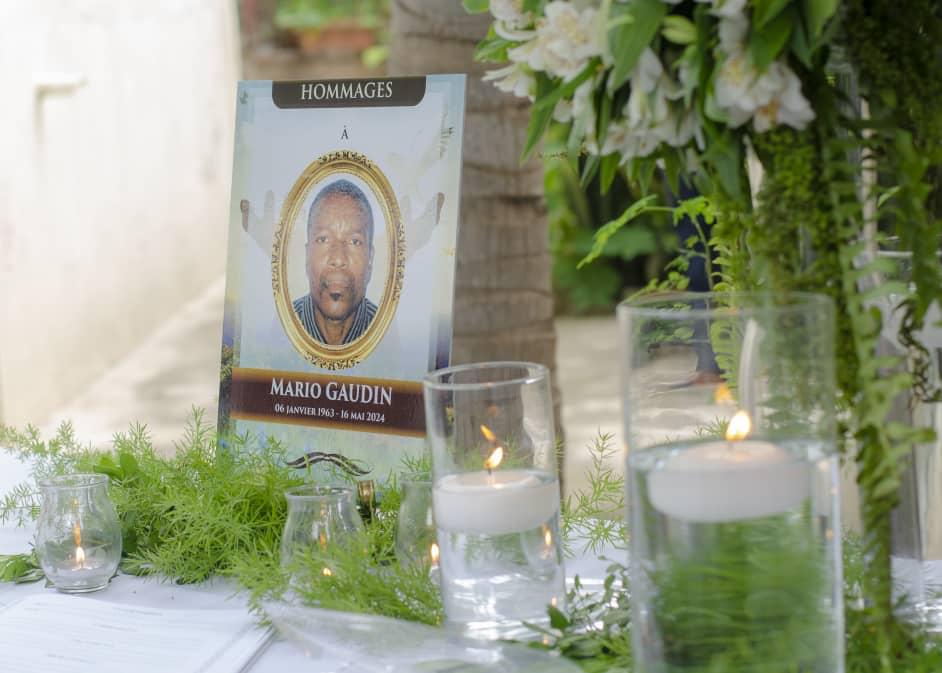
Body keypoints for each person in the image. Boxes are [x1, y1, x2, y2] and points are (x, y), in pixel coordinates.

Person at [293, 179, 377, 345]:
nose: (338, 259)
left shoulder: (387, 334)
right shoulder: (281, 327)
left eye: (354, 241)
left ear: (370, 260)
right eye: (323, 239)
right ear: (307, 256)